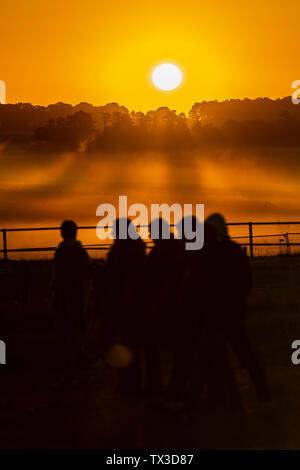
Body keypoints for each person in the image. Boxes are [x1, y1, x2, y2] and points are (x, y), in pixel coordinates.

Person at [205, 213, 271, 402]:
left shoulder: (214, 253)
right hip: (232, 311)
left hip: (223, 312)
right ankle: (259, 392)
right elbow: (245, 282)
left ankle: (220, 397)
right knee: (239, 354)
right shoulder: (231, 250)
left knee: (223, 355)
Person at [102, 217, 146, 393]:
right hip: (127, 303)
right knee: (129, 343)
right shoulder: (134, 247)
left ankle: (128, 383)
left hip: (124, 303)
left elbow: (120, 278)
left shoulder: (123, 250)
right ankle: (129, 382)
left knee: (126, 342)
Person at [144, 217, 184, 395]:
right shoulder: (174, 247)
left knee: (153, 346)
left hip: (163, 305)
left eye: (152, 231)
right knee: (175, 348)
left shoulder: (161, 251)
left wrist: (158, 301)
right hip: (172, 305)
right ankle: (173, 386)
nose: (150, 234)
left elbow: (166, 279)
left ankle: (157, 386)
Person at [52, 220, 90, 377]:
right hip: (78, 293)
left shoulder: (61, 251)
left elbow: (57, 276)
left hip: (64, 294)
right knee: (77, 326)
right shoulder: (80, 252)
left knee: (66, 327)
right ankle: (78, 359)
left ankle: (71, 362)